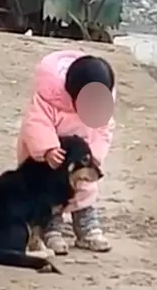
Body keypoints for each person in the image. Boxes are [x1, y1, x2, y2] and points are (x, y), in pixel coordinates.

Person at [17, 51, 116, 254]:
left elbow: (103, 130)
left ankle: (86, 226)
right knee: (49, 194)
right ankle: (51, 228)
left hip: (80, 162)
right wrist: (47, 149)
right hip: (50, 161)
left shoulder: (101, 105)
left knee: (86, 189)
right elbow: (36, 123)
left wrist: (94, 157)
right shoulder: (48, 99)